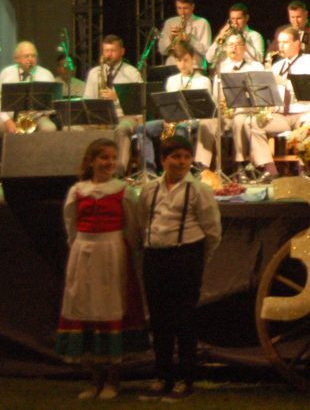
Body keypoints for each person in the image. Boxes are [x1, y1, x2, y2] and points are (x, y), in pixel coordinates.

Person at [54, 138, 148, 400]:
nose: (109, 162)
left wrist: (122, 250)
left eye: (113, 158)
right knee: (86, 308)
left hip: (112, 253)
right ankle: (94, 380)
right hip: (85, 253)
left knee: (110, 307)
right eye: (104, 157)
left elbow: (132, 227)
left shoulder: (123, 191)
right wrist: (81, 248)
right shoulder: (78, 191)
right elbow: (71, 225)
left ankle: (113, 381)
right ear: (91, 161)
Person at [137, 136, 221, 402]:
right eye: (176, 157)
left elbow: (212, 231)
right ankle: (163, 376)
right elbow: (143, 222)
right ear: (163, 160)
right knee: (159, 319)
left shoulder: (198, 190)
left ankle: (186, 378)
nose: (182, 162)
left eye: (186, 157)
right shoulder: (150, 189)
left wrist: (197, 260)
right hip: (155, 255)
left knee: (184, 319)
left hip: (185, 255)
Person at [245, 27, 310, 179]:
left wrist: (285, 82)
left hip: (306, 111)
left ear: (297, 44)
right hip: (283, 115)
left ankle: (305, 169)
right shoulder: (277, 66)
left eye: (285, 42)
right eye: (279, 42)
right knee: (253, 122)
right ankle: (270, 169)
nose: (281, 46)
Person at [0, 41, 58, 179]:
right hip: (11, 119)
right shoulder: (6, 73)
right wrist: (7, 121)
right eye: (26, 56)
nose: (30, 59)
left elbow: (52, 104)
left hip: (37, 119)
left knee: (50, 128)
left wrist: (37, 115)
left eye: (33, 56)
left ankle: (42, 169)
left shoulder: (46, 74)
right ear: (16, 58)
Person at [195, 34, 264, 175]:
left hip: (246, 112)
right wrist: (220, 104)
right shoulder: (221, 68)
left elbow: (260, 95)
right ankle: (203, 166)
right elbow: (216, 97)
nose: (234, 48)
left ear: (244, 47)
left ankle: (240, 164)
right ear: (225, 48)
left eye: (238, 44)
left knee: (239, 121)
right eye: (230, 45)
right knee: (206, 123)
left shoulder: (255, 67)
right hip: (226, 114)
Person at [137, 41, 211, 173]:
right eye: (179, 61)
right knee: (143, 129)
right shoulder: (172, 80)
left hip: (193, 121)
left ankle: (180, 169)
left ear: (193, 59)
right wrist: (168, 119)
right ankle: (149, 171)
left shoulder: (203, 81)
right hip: (172, 121)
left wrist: (184, 120)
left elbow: (205, 111)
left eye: (186, 60)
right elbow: (166, 106)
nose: (182, 64)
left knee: (181, 129)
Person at [83, 35, 143, 176]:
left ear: (122, 51)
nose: (108, 54)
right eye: (106, 51)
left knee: (122, 129)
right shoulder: (94, 73)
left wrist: (118, 97)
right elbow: (87, 100)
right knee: (76, 127)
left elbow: (139, 102)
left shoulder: (132, 73)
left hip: (125, 116)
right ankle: (88, 170)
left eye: (113, 51)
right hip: (101, 117)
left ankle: (118, 172)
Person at [158, 0, 212, 68]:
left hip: (194, 66)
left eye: (185, 8)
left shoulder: (202, 23)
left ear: (192, 7)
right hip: (172, 65)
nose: (182, 12)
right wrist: (170, 39)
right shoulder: (170, 22)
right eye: (179, 8)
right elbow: (162, 51)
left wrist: (190, 40)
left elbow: (207, 52)